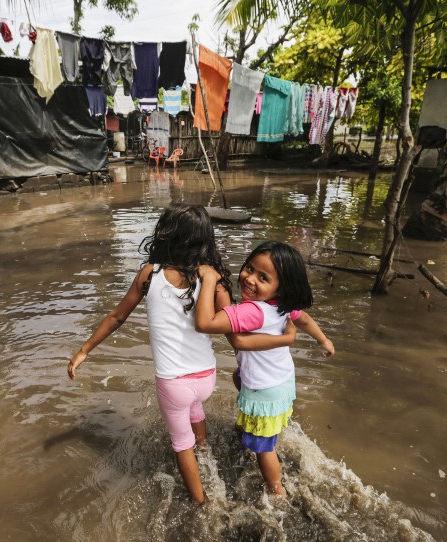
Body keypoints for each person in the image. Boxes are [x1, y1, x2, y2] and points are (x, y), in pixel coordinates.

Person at [67, 204, 294, 504]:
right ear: (205, 241)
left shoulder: (149, 274)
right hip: (207, 378)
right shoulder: (215, 280)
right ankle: (204, 450)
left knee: (180, 444)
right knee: (195, 408)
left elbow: (117, 317)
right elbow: (235, 333)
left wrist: (84, 350)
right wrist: (280, 342)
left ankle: (201, 504)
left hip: (173, 383)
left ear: (165, 235)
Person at [195, 240, 335, 497]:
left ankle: (276, 490)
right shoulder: (281, 306)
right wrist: (323, 339)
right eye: (249, 269)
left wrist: (208, 280)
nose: (249, 279)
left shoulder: (252, 311)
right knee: (238, 376)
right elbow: (302, 318)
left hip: (264, 388)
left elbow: (205, 323)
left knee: (263, 449)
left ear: (281, 287)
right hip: (281, 381)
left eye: (263, 277)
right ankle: (246, 427)